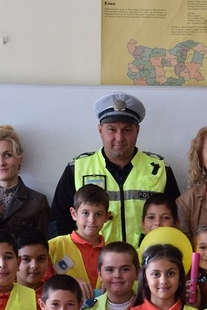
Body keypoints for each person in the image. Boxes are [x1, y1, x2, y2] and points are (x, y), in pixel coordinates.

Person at [48, 92, 181, 241]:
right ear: (100, 130)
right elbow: (59, 224)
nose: (119, 138)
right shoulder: (77, 170)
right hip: (93, 255)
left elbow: (176, 222)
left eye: (127, 130)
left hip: (146, 255)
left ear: (137, 131)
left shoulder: (160, 170)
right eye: (112, 130)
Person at [0, 125, 50, 236]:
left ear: (19, 159)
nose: (1, 163)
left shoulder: (37, 202)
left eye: (7, 155)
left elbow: (45, 244)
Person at [48, 184, 110, 291]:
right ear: (74, 214)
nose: (92, 220)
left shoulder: (112, 251)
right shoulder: (53, 247)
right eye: (85, 213)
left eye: (98, 214)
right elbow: (42, 283)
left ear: (106, 217)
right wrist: (68, 283)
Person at [15, 229, 53, 302]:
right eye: (26, 259)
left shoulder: (55, 295)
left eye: (41, 259)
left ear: (48, 260)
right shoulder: (0, 295)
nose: (34, 266)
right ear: (15, 261)